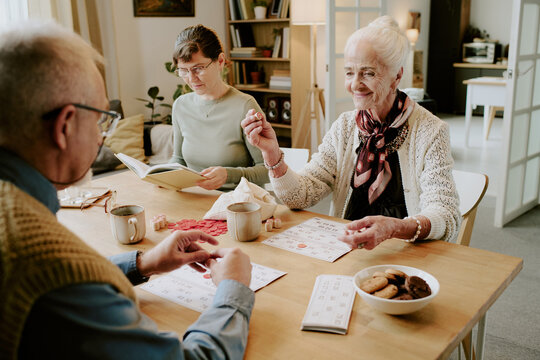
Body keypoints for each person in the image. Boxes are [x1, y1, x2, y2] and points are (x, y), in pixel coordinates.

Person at [0, 20, 254, 359]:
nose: (102, 135)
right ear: (64, 127)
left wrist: (143, 263)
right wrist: (233, 289)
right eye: (101, 119)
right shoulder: (50, 268)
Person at [242, 16, 461, 250]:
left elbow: (446, 215)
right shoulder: (345, 127)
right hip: (348, 250)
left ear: (397, 76)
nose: (355, 85)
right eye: (349, 72)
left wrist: (395, 228)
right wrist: (272, 153)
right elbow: (300, 196)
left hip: (406, 253)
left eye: (368, 73)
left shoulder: (431, 131)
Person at [170, 24, 269, 190]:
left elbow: (267, 170)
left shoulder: (245, 106)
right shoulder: (180, 105)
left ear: (220, 61)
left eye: (198, 68)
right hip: (192, 199)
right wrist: (161, 175)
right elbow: (178, 159)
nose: (191, 78)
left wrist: (229, 175)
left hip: (236, 205)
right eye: (184, 71)